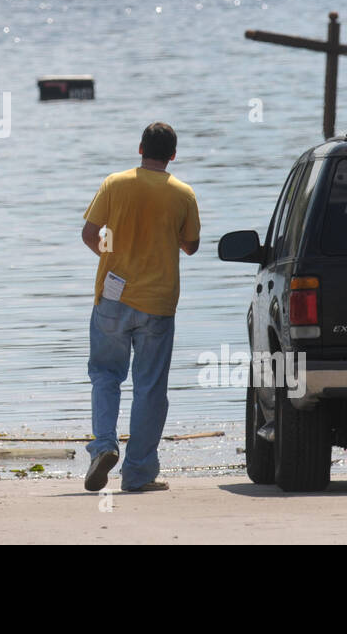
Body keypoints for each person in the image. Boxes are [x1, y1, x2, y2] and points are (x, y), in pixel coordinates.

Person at [80, 122, 200, 493]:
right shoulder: (182, 193)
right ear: (173, 155)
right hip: (158, 303)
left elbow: (89, 234)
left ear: (139, 149)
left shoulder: (114, 183)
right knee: (149, 388)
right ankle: (138, 474)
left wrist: (114, 255)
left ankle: (103, 446)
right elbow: (191, 245)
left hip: (113, 297)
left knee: (105, 375)